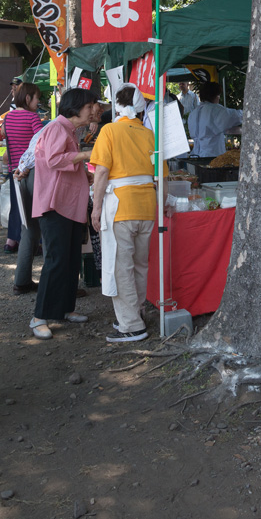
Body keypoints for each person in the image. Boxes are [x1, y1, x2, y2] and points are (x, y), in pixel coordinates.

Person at [90, 85, 167, 343]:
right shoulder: (149, 134)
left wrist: (96, 207)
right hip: (147, 207)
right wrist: (163, 203)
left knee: (121, 266)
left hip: (120, 207)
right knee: (140, 265)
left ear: (117, 105)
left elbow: (101, 172)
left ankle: (132, 325)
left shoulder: (109, 130)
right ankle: (137, 313)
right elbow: (162, 175)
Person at [29, 88, 97, 340]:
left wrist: (84, 172)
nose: (93, 110)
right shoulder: (57, 128)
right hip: (55, 205)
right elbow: (55, 160)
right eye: (89, 106)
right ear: (76, 107)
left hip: (67, 204)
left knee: (69, 260)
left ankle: (65, 309)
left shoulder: (68, 130)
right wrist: (87, 155)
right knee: (57, 260)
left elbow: (64, 164)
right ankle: (39, 317)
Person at [2, 83, 46, 255]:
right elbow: (42, 143)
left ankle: (11, 241)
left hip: (14, 169)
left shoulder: (8, 118)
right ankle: (37, 242)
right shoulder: (32, 118)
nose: (38, 102)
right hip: (31, 169)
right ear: (28, 98)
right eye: (37, 98)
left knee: (17, 205)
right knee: (34, 208)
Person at [187, 81, 242, 158]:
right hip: (212, 156)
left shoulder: (193, 113)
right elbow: (237, 116)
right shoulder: (216, 110)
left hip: (196, 155)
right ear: (217, 96)